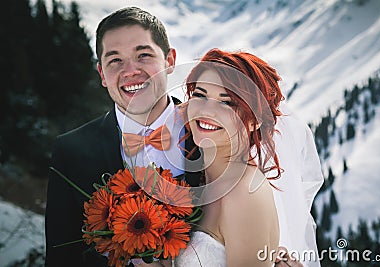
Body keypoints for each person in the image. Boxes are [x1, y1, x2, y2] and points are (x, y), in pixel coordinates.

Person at [45, 7, 201, 267]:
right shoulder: (70, 151)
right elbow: (62, 256)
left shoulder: (212, 136)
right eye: (115, 60)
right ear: (102, 74)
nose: (130, 71)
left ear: (170, 60)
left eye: (143, 55)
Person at [174, 48, 323, 267]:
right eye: (200, 95)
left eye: (226, 102)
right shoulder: (198, 175)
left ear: (255, 120)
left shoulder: (245, 194)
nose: (207, 111)